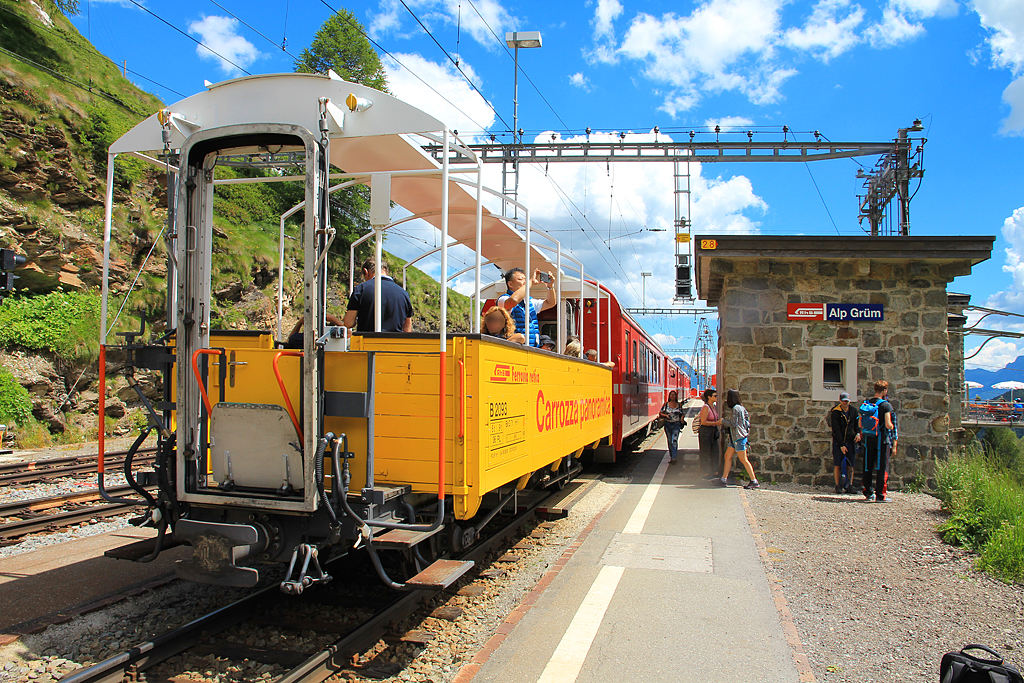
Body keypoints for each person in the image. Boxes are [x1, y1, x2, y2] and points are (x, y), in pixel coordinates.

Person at [342, 258, 413, 333]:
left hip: (368, 339)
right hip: (395, 340)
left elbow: (348, 323)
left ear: (366, 271)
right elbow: (407, 329)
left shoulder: (361, 289)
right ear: (386, 271)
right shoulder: (403, 293)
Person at [497, 267, 557, 347]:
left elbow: (550, 303)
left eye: (525, 279)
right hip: (515, 347)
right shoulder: (503, 299)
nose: (525, 282)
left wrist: (550, 287)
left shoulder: (529, 301)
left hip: (532, 347)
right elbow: (513, 301)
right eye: (520, 279)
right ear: (510, 284)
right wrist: (531, 281)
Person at [860, 380, 895, 502]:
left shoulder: (866, 403)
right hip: (881, 440)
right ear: (884, 391)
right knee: (881, 467)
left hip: (868, 439)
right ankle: (880, 495)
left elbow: (860, 423)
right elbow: (888, 424)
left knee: (867, 466)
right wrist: (892, 427)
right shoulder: (885, 405)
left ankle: (868, 493)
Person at [716, 389, 759, 489]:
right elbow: (746, 422)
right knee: (727, 456)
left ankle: (754, 481)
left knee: (743, 459)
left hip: (738, 438)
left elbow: (733, 424)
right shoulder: (742, 408)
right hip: (736, 438)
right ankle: (723, 479)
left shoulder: (735, 409)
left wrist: (722, 421)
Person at [830, 392, 862, 494]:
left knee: (850, 464)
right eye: (843, 401)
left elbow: (857, 424)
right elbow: (836, 430)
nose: (845, 403)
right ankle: (837, 485)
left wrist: (858, 433)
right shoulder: (836, 412)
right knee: (837, 464)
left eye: (847, 401)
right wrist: (841, 444)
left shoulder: (853, 411)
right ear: (840, 401)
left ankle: (849, 485)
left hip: (850, 440)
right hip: (839, 441)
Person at [697, 388, 723, 479]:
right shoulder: (706, 407)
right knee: (705, 452)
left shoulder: (713, 407)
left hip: (713, 431)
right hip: (706, 431)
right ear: (709, 397)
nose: (716, 397)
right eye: (715, 396)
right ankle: (705, 473)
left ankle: (715, 471)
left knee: (715, 451)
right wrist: (716, 423)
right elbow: (703, 422)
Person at [659, 390, 686, 464]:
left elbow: (682, 413)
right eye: (671, 395)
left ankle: (674, 457)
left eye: (674, 395)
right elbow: (660, 413)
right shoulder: (666, 404)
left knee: (674, 440)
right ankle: (671, 456)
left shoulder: (679, 404)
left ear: (676, 396)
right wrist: (666, 416)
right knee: (669, 440)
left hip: (676, 424)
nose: (672, 396)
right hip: (668, 424)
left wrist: (682, 418)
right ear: (669, 396)